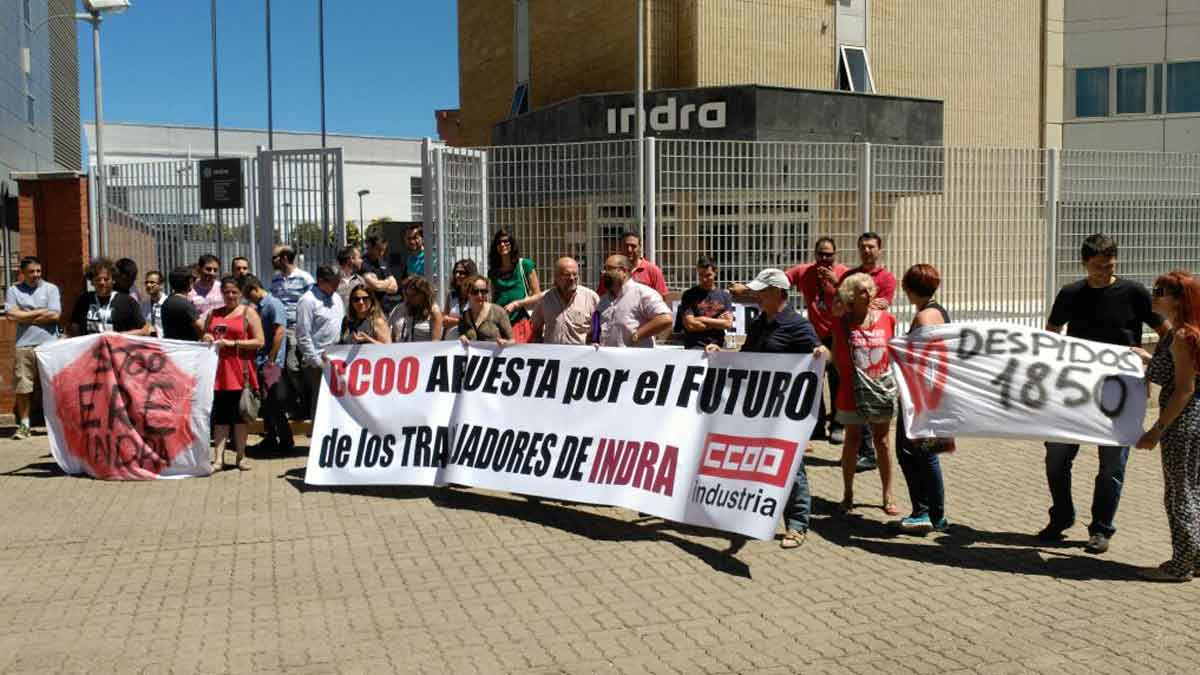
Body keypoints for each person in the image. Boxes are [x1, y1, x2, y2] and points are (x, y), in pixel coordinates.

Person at [1040, 234, 1169, 554]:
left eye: (1109, 266)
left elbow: (1166, 332)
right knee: (1056, 457)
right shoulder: (1070, 294)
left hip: (1122, 391)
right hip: (1073, 391)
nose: (1103, 271)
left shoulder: (1135, 293)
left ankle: (1101, 529)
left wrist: (1154, 365)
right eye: (1097, 267)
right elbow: (1051, 335)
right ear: (1084, 264)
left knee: (1112, 464)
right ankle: (1062, 516)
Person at [707, 268, 830, 549]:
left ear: (777, 293)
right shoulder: (760, 322)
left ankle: (797, 525)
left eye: (763, 291)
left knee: (792, 466)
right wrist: (721, 355)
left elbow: (823, 355)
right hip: (759, 407)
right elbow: (746, 359)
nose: (758, 296)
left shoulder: (797, 325)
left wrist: (822, 354)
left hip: (786, 409)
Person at [1134, 271, 1200, 582]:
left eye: (1162, 291)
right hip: (1192, 420)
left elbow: (1184, 389)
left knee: (1179, 493)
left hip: (1182, 423)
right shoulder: (1182, 334)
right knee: (1192, 489)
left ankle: (1180, 565)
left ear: (1179, 300)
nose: (1155, 294)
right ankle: (1195, 558)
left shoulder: (1183, 336)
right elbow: (1175, 371)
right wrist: (1148, 359)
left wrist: (1156, 430)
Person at [832, 272, 898, 515]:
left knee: (882, 442)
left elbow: (892, 352)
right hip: (852, 390)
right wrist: (851, 380)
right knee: (852, 440)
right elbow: (838, 358)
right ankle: (848, 493)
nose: (868, 293)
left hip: (880, 389)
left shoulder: (887, 319)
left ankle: (888, 494)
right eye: (861, 290)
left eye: (869, 289)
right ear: (851, 295)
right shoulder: (842, 323)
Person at [894, 264, 952, 533]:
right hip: (933, 394)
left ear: (910, 288)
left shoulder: (925, 318)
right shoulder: (939, 312)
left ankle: (925, 512)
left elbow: (920, 356)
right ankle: (935, 514)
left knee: (915, 453)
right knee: (926, 453)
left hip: (920, 396)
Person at [841, 233, 897, 471]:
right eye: (863, 247)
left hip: (875, 349)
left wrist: (858, 305)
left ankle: (871, 455)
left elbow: (879, 308)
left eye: (871, 247)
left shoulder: (887, 278)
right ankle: (863, 454)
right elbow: (840, 304)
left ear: (879, 250)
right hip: (851, 345)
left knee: (880, 429)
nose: (867, 251)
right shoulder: (848, 276)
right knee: (853, 416)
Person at [201, 276, 264, 472]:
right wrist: (207, 336)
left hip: (240, 371)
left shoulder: (248, 312)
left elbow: (260, 341)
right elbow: (203, 334)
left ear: (240, 293)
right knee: (220, 418)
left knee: (239, 417)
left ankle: (241, 456)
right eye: (226, 292)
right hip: (218, 373)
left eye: (234, 292)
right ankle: (218, 459)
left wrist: (234, 344)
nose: (230, 296)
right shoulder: (213, 313)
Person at [5, 256, 60, 440]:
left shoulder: (50, 289)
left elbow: (54, 316)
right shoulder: (14, 290)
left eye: (38, 271)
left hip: (48, 344)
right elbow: (11, 315)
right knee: (23, 386)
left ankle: (55, 424)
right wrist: (39, 311)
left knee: (51, 385)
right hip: (24, 345)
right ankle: (24, 424)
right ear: (23, 273)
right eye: (31, 272)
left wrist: (24, 315)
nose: (36, 275)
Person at [241, 274, 293, 453]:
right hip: (264, 360)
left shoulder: (272, 304)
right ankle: (271, 437)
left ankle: (285, 440)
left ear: (254, 289)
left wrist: (271, 359)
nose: (248, 300)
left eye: (248, 295)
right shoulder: (262, 306)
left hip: (271, 362)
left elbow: (279, 332)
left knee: (274, 401)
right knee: (267, 401)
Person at [295, 265, 345, 420]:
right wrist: (315, 362)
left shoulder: (336, 297)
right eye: (333, 282)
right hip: (318, 361)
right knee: (320, 403)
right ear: (321, 281)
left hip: (337, 359)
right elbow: (303, 335)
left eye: (338, 281)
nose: (337, 285)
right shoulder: (307, 301)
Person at [270, 245, 315, 418]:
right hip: (279, 328)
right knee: (282, 369)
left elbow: (312, 303)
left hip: (297, 327)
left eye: (274, 257)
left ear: (284, 258)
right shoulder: (275, 280)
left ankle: (305, 401)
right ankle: (293, 406)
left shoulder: (305, 278)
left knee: (293, 367)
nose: (272, 261)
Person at [591, 254, 672, 348]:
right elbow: (596, 326)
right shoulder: (603, 300)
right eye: (604, 269)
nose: (604, 273)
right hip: (607, 359)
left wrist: (637, 335)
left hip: (635, 359)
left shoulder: (643, 293)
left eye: (609, 269)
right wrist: (595, 340)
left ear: (623, 271)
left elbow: (665, 319)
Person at [68, 258, 149, 336]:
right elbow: (74, 326)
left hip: (116, 349)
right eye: (98, 279)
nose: (102, 283)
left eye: (106, 279)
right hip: (91, 348)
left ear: (113, 280)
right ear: (92, 281)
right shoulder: (84, 300)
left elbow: (145, 330)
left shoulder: (127, 302)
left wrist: (119, 336)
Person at [487, 229, 541, 343]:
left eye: (506, 241)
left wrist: (517, 304)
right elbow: (492, 298)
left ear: (512, 244)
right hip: (499, 322)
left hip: (520, 321)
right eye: (499, 242)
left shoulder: (525, 265)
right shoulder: (493, 272)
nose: (502, 244)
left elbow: (538, 296)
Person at [531, 256, 599, 345]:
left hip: (581, 356)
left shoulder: (591, 298)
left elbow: (598, 328)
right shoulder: (544, 299)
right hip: (554, 355)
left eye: (575, 274)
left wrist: (594, 343)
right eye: (567, 274)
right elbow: (537, 329)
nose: (572, 278)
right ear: (556, 277)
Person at [676, 255, 733, 350]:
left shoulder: (725, 295)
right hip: (694, 346)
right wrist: (717, 323)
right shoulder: (689, 295)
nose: (704, 279)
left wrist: (701, 319)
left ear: (715, 272)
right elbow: (689, 324)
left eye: (708, 275)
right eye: (701, 275)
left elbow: (728, 324)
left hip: (718, 346)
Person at [599, 231, 668, 297]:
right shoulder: (610, 271)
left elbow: (661, 297)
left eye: (633, 246)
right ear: (620, 247)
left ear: (640, 247)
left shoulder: (652, 270)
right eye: (626, 246)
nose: (629, 249)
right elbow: (602, 297)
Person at [458, 275, 513, 346]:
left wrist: (505, 343)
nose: (480, 295)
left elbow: (512, 340)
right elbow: (461, 336)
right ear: (468, 293)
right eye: (475, 292)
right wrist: (462, 338)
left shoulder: (498, 312)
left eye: (483, 291)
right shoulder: (463, 317)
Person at [389, 276, 443, 342]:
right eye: (407, 295)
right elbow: (392, 336)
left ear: (423, 294)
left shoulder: (434, 311)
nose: (409, 299)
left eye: (413, 296)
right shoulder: (401, 308)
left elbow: (435, 342)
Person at [360, 234, 401, 313]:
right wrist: (387, 282)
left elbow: (395, 287)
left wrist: (379, 284)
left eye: (384, 249)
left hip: (384, 309)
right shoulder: (363, 263)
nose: (381, 253)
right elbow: (376, 286)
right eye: (378, 249)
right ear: (370, 247)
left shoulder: (382, 262)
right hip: (369, 309)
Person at [160, 267, 203, 341]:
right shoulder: (185, 305)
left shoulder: (166, 302)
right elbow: (201, 327)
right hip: (187, 348)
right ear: (189, 282)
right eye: (193, 280)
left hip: (171, 347)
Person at [442, 258, 478, 339]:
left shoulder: (476, 294)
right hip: (450, 344)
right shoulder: (451, 294)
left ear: (470, 274)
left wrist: (456, 321)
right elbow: (444, 320)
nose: (457, 275)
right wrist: (463, 321)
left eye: (462, 273)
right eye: (455, 272)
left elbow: (476, 321)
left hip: (470, 343)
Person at [140, 270, 167, 338]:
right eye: (146, 282)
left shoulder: (167, 303)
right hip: (149, 343)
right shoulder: (143, 304)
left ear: (161, 285)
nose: (148, 285)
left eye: (152, 282)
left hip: (164, 343)